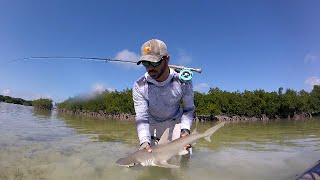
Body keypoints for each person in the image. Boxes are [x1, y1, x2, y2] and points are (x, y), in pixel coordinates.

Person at [133, 39, 195, 152]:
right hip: (152, 122)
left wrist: (185, 130)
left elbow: (189, 110)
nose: (150, 68)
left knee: (184, 155)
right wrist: (144, 141)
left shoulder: (182, 82)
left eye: (155, 62)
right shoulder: (139, 86)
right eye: (146, 63)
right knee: (146, 158)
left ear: (167, 59)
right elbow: (141, 116)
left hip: (176, 120)